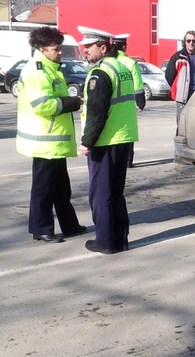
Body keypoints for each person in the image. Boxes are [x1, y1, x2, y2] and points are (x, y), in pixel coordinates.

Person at [16, 27, 86, 243]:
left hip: (54, 141)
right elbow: (42, 105)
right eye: (56, 49)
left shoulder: (50, 67)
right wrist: (72, 102)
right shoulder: (37, 71)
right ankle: (41, 229)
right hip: (44, 141)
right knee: (44, 188)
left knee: (61, 188)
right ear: (41, 48)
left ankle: (69, 225)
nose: (60, 53)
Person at [77, 26, 139, 254]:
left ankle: (104, 241)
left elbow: (96, 111)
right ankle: (120, 240)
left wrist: (87, 142)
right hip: (123, 137)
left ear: (103, 48)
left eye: (89, 46)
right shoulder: (121, 67)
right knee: (116, 192)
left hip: (105, 141)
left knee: (101, 194)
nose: (84, 50)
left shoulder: (100, 73)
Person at [165, 30, 195, 131]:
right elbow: (169, 76)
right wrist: (179, 88)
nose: (191, 43)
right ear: (184, 42)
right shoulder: (177, 57)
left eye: (194, 41)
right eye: (188, 41)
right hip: (183, 96)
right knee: (182, 124)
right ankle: (179, 145)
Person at [113, 34, 145, 168]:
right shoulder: (131, 63)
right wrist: (140, 102)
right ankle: (127, 160)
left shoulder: (109, 62)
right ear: (125, 47)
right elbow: (138, 85)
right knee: (127, 132)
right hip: (128, 103)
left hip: (112, 104)